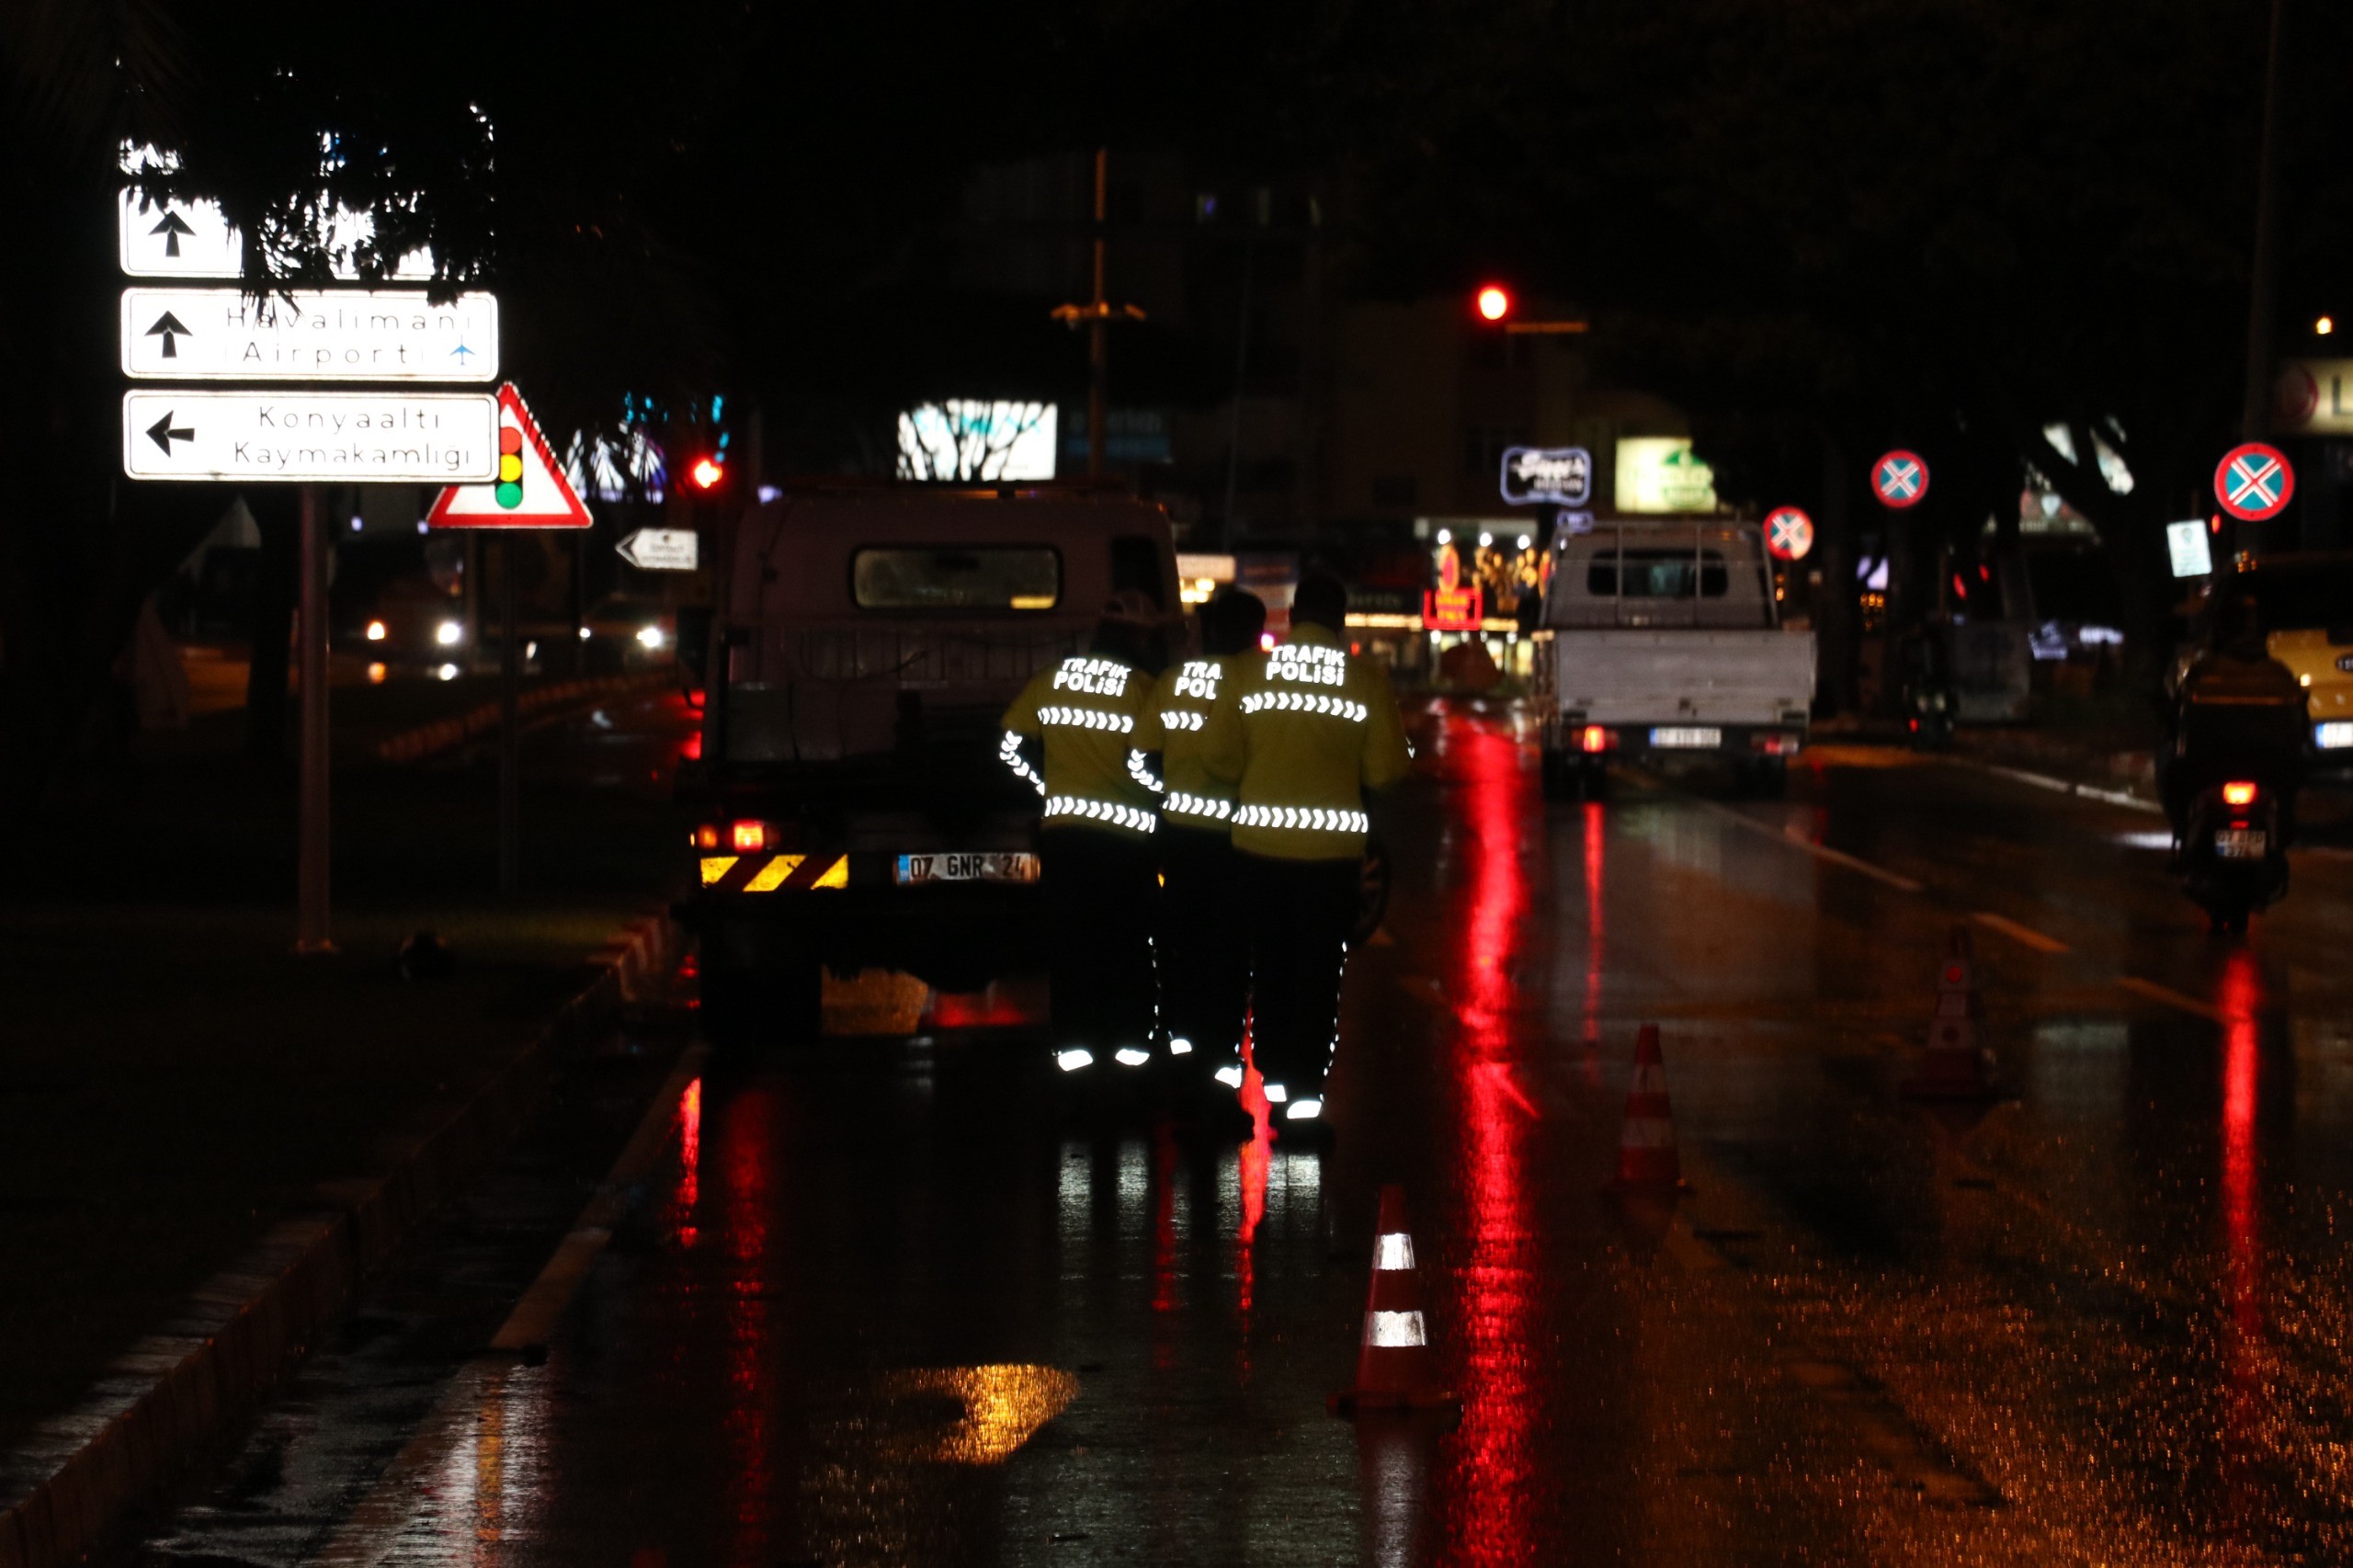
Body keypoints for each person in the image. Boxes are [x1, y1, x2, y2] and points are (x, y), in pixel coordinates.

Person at [1199, 570, 1410, 1137]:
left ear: (1291, 618)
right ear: (1341, 622)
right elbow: (1389, 771)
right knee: (1318, 973)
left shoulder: (1248, 675)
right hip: (1332, 861)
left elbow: (1217, 762)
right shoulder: (1366, 682)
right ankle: (1304, 1102)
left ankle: (1272, 1080)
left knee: (1268, 968)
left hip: (1258, 855)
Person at [1001, 592, 1169, 1083]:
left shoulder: (1054, 679)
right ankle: (1129, 1060)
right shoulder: (1144, 689)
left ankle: (1076, 1063)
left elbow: (1010, 741)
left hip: (1066, 840)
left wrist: (1045, 784)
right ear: (1138, 638)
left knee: (1073, 948)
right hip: (1127, 846)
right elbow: (1157, 759)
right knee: (1129, 949)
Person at [1152, 586, 1266, 1132]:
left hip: (1180, 841)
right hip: (1236, 845)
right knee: (1227, 969)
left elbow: (1140, 752)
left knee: (1181, 958)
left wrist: (1167, 793)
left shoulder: (1175, 682)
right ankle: (1220, 1095)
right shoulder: (1255, 683)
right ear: (1252, 634)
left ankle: (1179, 1080)